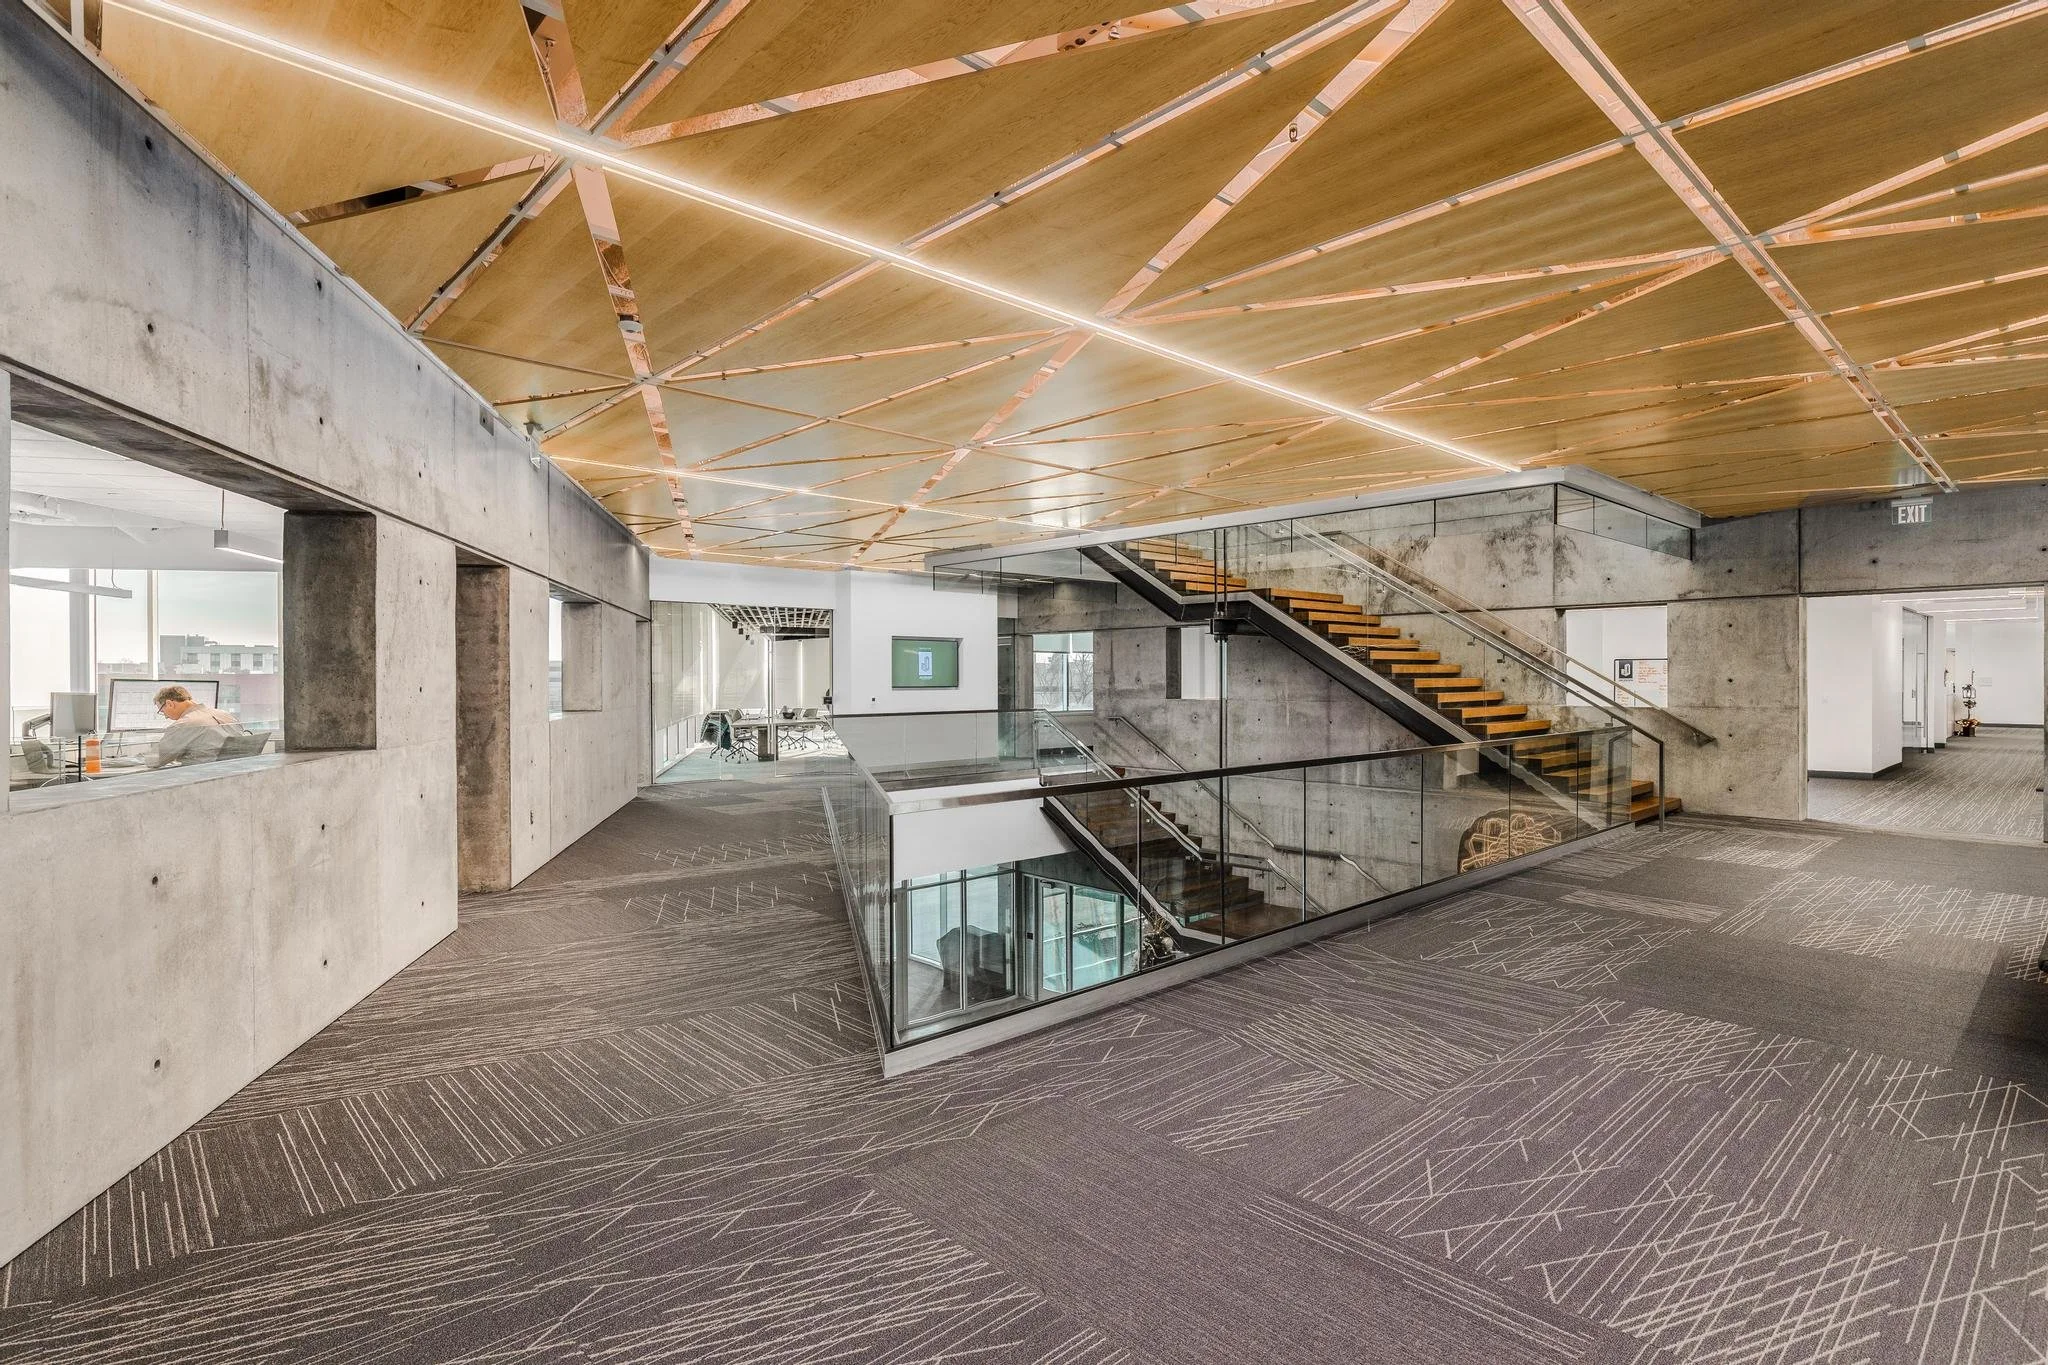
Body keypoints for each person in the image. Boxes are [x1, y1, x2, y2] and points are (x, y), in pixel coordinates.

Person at [149, 685, 246, 767]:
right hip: (233, 774)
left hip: (201, 776)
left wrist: (140, 757)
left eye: (162, 711)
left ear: (169, 704)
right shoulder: (225, 715)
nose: (165, 716)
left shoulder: (184, 724)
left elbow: (155, 760)